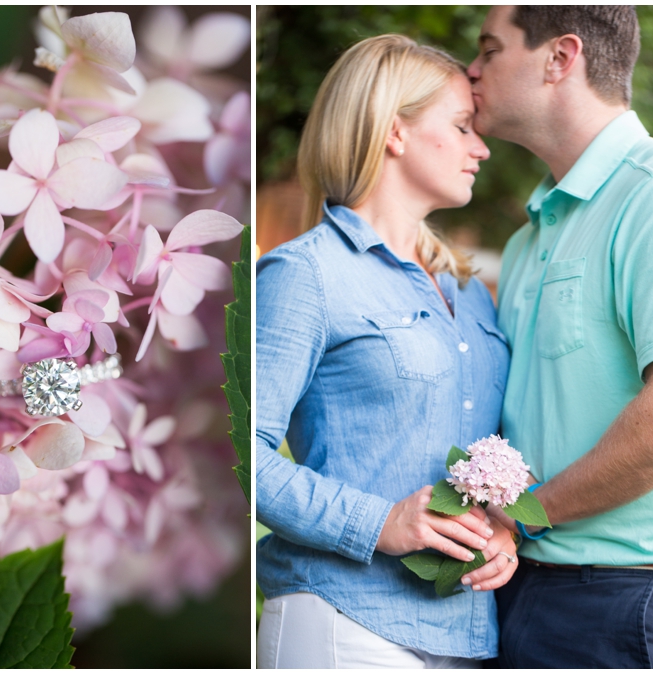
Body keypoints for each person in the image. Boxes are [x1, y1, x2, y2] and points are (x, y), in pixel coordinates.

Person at [256, 35, 518, 669]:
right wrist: (376, 523)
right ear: (393, 132)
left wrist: (505, 527)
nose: (480, 147)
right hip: (344, 623)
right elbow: (236, 451)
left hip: (466, 636)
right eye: (460, 127)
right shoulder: (305, 274)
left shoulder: (468, 292)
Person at [464, 6, 653, 668]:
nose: (471, 70)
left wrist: (528, 514)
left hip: (631, 601)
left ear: (560, 58)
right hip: (520, 590)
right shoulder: (526, 237)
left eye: (489, 49)